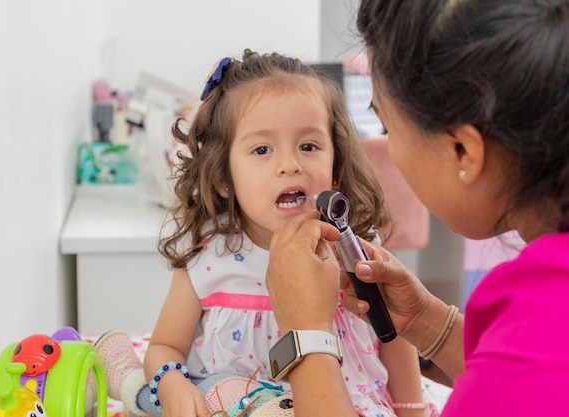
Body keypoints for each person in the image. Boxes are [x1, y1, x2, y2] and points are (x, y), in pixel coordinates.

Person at [265, 1, 569, 416]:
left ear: (463, 150)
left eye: (388, 127)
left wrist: (305, 334)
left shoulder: (540, 340)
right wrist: (429, 324)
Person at [95, 49, 436, 417]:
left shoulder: (355, 249)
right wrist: (172, 383)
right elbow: (165, 347)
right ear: (224, 177)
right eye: (262, 149)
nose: (289, 165)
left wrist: (411, 410)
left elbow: (394, 337)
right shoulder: (209, 256)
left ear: (336, 164)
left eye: (309, 146)